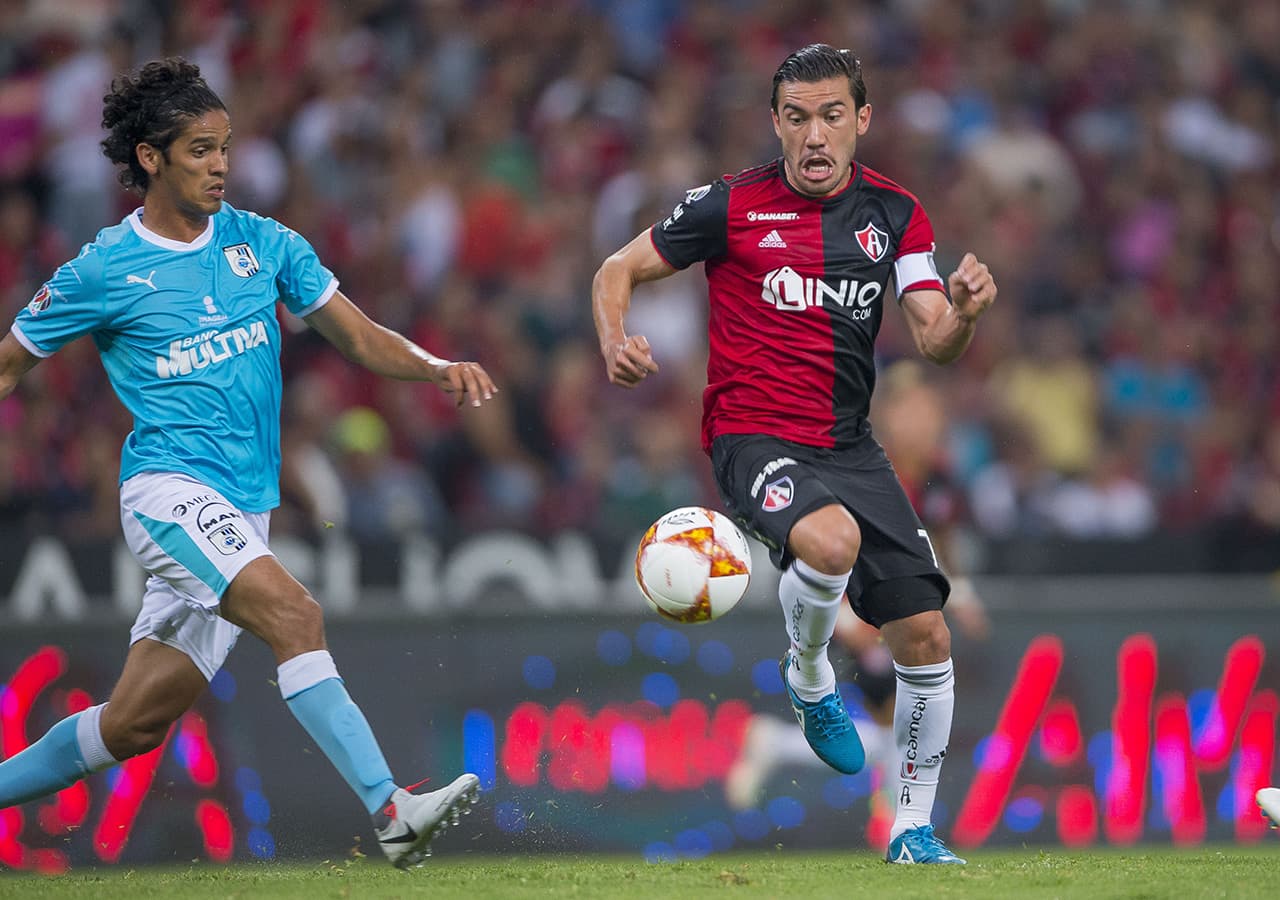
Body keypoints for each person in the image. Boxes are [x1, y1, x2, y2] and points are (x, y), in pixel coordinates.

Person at [0, 58, 497, 869]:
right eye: (200, 150)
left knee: (132, 724)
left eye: (225, 146)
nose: (221, 164)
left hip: (243, 505)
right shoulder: (101, 268)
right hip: (167, 491)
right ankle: (392, 809)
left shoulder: (265, 244)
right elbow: (8, 367)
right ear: (151, 158)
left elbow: (362, 336)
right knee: (294, 615)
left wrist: (435, 366)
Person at [592, 44, 997, 865]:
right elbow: (616, 267)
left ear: (862, 121)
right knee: (832, 542)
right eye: (798, 117)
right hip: (752, 434)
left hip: (850, 445)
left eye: (832, 116)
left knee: (925, 634)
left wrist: (963, 313)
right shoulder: (728, 205)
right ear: (776, 122)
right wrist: (613, 339)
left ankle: (913, 831)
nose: (815, 135)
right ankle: (808, 677)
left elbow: (933, 337)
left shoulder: (897, 215)